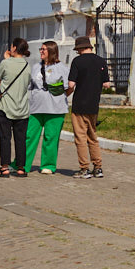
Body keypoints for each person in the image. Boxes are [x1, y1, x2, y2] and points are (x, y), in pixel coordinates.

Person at [67, 36, 111, 179]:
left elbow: (71, 85)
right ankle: (98, 167)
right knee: (92, 136)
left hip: (79, 104)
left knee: (80, 137)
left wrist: (63, 93)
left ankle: (84, 168)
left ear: (79, 48)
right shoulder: (101, 61)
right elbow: (106, 84)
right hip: (94, 104)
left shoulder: (77, 61)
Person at [24, 40, 68, 174]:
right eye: (41, 49)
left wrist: (59, 97)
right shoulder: (36, 66)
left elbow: (68, 87)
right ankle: (22, 164)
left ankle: (48, 165)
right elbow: (30, 85)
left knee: (51, 137)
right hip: (36, 107)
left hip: (55, 109)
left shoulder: (62, 68)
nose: (41, 52)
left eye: (44, 49)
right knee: (30, 136)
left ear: (52, 51)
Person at [0, 38, 32, 177]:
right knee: (20, 139)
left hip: (6, 105)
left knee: (5, 137)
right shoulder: (27, 65)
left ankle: (5, 167)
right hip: (22, 107)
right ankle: (21, 167)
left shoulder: (6, 63)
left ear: (14, 48)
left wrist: (6, 59)